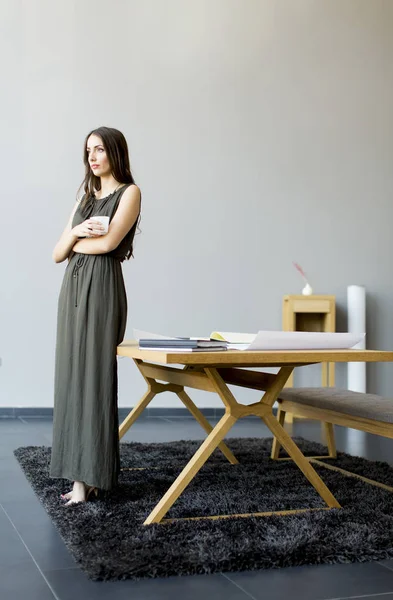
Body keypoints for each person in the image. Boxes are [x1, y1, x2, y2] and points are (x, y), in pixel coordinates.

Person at [49, 126, 141, 505]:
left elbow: (109, 243)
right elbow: (57, 253)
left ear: (115, 153)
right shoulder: (84, 196)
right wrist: (76, 233)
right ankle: (78, 482)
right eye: (88, 150)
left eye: (100, 149)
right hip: (72, 291)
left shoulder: (129, 193)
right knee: (71, 378)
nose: (92, 156)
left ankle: (96, 475)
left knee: (95, 378)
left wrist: (77, 239)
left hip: (102, 289)